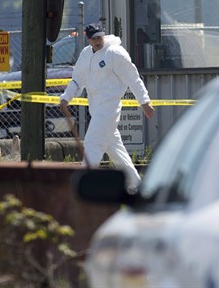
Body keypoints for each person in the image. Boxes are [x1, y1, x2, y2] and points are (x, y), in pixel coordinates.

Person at [60, 22, 155, 193]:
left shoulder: (115, 53)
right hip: (95, 108)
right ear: (87, 38)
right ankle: (137, 187)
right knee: (115, 149)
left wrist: (145, 102)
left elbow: (133, 78)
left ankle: (84, 186)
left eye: (100, 37)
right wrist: (66, 98)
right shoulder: (85, 55)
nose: (98, 41)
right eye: (94, 38)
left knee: (92, 141)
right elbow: (77, 80)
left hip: (110, 106)